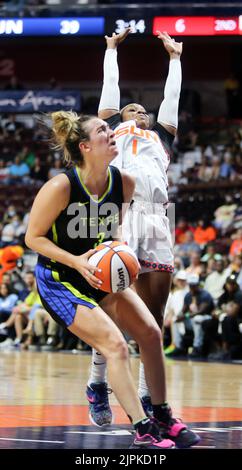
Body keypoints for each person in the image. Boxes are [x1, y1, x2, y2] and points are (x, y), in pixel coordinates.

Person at [25, 110, 182, 449]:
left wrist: (122, 250)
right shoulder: (61, 186)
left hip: (97, 273)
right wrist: (76, 261)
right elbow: (33, 238)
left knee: (152, 333)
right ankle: (142, 427)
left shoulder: (124, 181)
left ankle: (162, 414)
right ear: (84, 146)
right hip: (60, 279)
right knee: (116, 345)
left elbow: (117, 228)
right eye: (102, 130)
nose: (112, 133)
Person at [87, 29, 199, 447]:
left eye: (142, 109)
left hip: (158, 222)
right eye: (130, 108)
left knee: (153, 318)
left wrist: (175, 59)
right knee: (115, 308)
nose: (139, 111)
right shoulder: (114, 133)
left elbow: (171, 99)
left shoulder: (161, 139)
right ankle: (97, 382)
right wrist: (111, 52)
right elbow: (109, 96)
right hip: (124, 217)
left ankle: (152, 403)